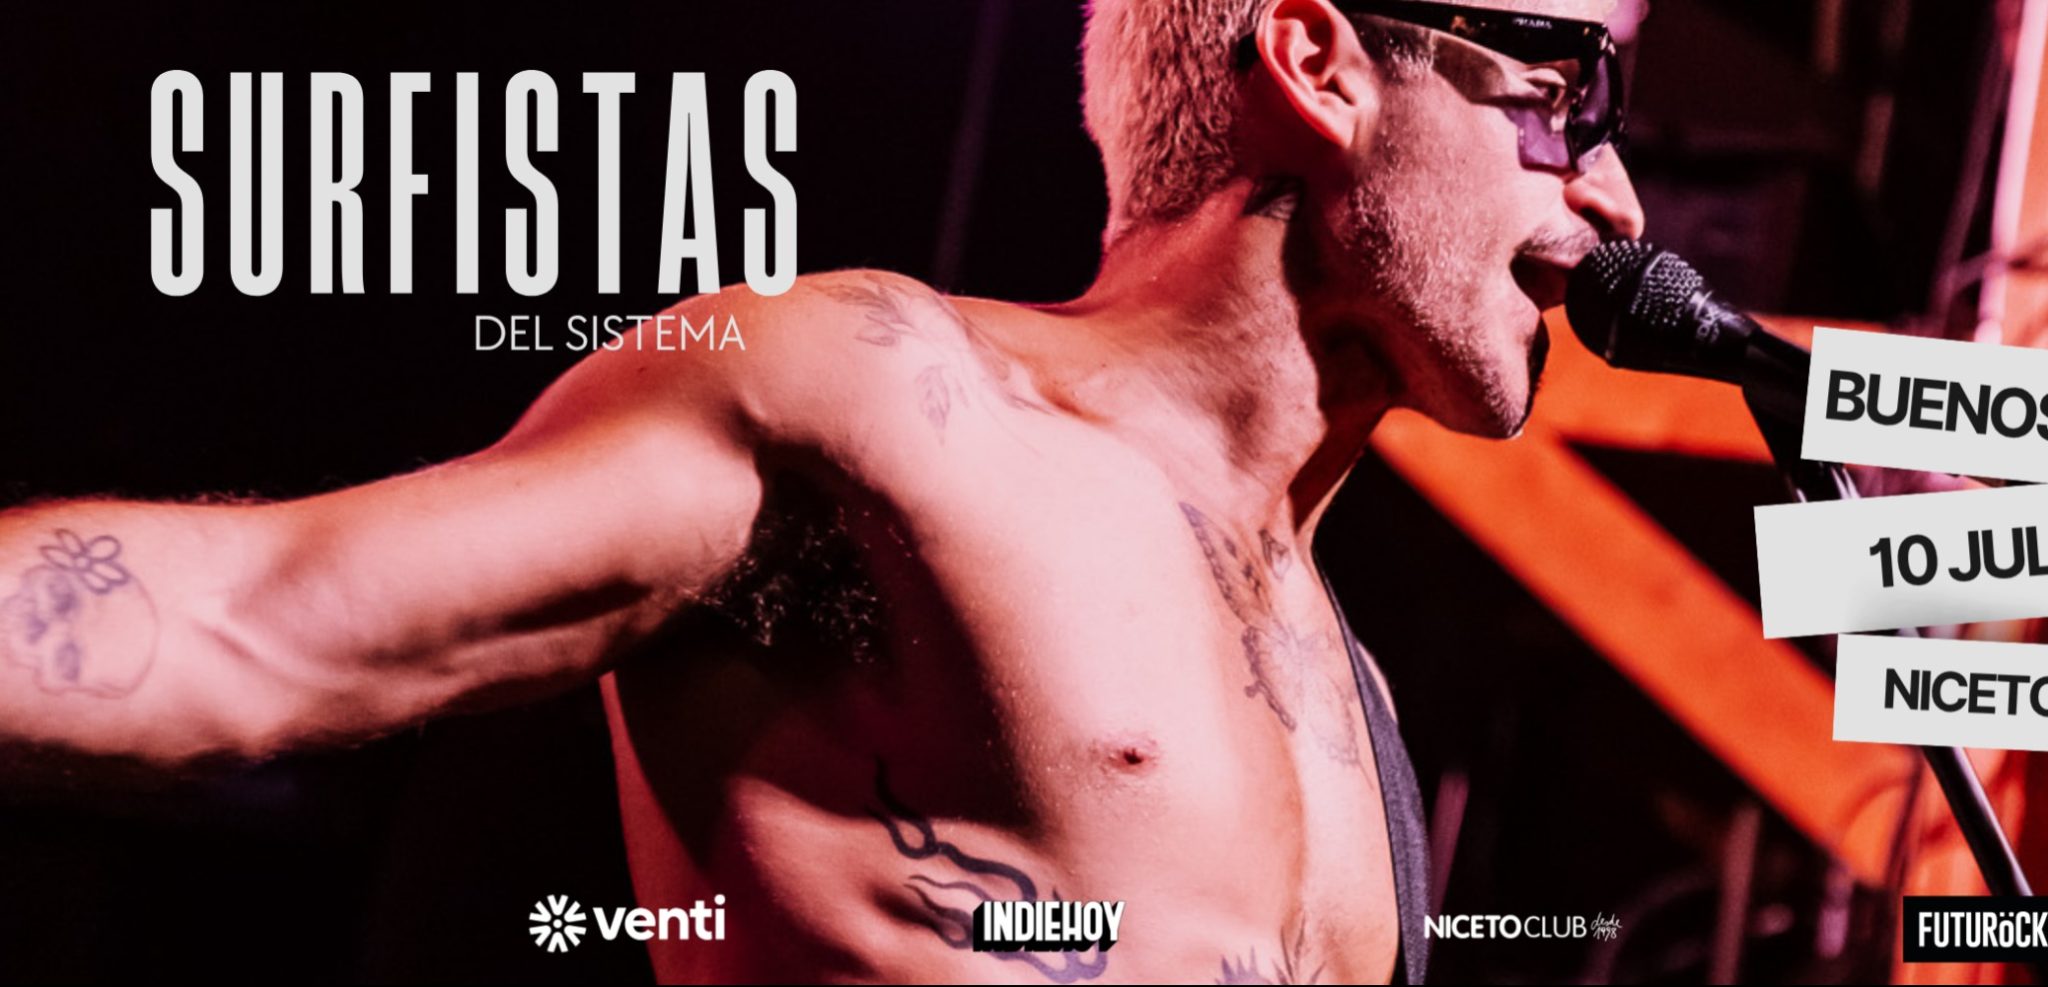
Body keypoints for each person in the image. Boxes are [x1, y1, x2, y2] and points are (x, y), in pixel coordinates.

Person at [0, 0, 1643, 980]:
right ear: (1319, 63)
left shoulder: (1354, 695)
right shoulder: (892, 405)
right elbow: (258, 624)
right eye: (1564, 91)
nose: (1620, 199)